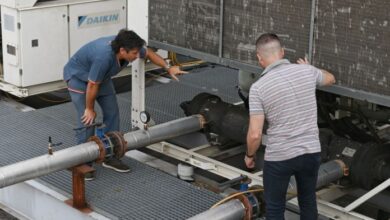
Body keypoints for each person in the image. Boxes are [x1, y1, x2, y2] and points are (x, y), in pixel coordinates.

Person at [64, 29, 186, 179]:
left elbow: (148, 53)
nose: (137, 56)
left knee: (113, 113)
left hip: (101, 79)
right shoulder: (103, 57)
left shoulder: (128, 47)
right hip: (79, 78)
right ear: (122, 50)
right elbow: (92, 85)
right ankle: (82, 161)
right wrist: (90, 109)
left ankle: (111, 155)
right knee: (88, 120)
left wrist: (168, 68)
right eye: (134, 54)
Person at [244, 33, 335, 219]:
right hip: (310, 152)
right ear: (283, 52)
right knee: (308, 200)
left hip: (280, 157)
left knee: (275, 207)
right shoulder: (307, 71)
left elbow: (255, 134)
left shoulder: (258, 88)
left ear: (259, 59)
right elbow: (330, 79)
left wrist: (249, 156)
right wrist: (310, 67)